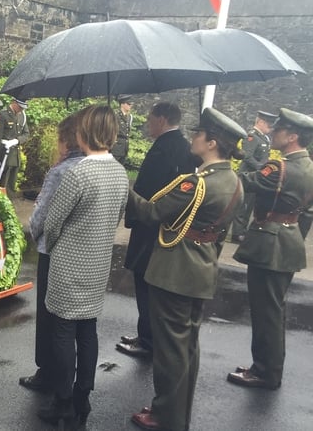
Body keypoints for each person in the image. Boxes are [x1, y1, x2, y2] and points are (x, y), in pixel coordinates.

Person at [129, 108, 246, 431]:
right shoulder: (233, 181)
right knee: (187, 348)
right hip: (202, 270)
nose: (192, 138)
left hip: (176, 272)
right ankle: (177, 411)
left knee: (170, 352)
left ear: (211, 143)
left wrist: (121, 185)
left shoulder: (197, 185)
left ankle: (166, 415)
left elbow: (153, 214)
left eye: (199, 134)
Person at [36, 105, 129, 427]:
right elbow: (117, 216)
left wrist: (65, 240)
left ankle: (62, 399)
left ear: (83, 133)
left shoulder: (78, 173)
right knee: (87, 331)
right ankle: (82, 397)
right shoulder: (119, 171)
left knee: (62, 331)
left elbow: (52, 223)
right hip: (98, 263)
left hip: (69, 264)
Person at [227, 108, 313, 390]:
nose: (273, 133)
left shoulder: (279, 168)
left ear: (292, 136)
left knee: (267, 312)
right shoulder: (308, 166)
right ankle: (265, 366)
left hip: (271, 243)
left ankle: (265, 372)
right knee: (273, 310)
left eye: (278, 130)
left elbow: (242, 182)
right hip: (289, 240)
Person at [117, 102, 195, 359]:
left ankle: (148, 340)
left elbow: (149, 190)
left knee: (145, 281)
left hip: (151, 224)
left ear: (162, 119)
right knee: (148, 282)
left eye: (151, 119)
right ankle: (145, 334)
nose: (148, 123)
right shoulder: (182, 145)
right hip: (163, 225)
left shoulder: (165, 148)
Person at [19, 113, 84, 393]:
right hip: (79, 252)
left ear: (65, 141)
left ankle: (47, 371)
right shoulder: (92, 166)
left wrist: (35, 235)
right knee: (72, 320)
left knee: (49, 316)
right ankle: (68, 377)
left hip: (53, 249)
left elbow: (40, 217)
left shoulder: (61, 170)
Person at [229, 110, 277, 242]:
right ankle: (237, 233)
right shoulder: (252, 137)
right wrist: (262, 168)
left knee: (250, 205)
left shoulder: (264, 138)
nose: (270, 128)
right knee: (244, 206)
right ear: (260, 122)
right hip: (248, 175)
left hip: (257, 177)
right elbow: (247, 156)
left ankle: (243, 230)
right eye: (268, 124)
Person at [0, 96, 31, 193]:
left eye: (23, 108)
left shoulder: (22, 116)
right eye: (20, 107)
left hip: (15, 155)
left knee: (11, 186)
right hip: (4, 154)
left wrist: (17, 141)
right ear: (14, 102)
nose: (21, 109)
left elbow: (26, 134)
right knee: (1, 184)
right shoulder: (2, 115)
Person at [111, 95, 134, 165]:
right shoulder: (115, 115)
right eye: (128, 104)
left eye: (131, 104)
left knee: (121, 167)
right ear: (122, 104)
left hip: (124, 147)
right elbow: (111, 130)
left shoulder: (130, 117)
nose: (130, 106)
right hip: (116, 146)